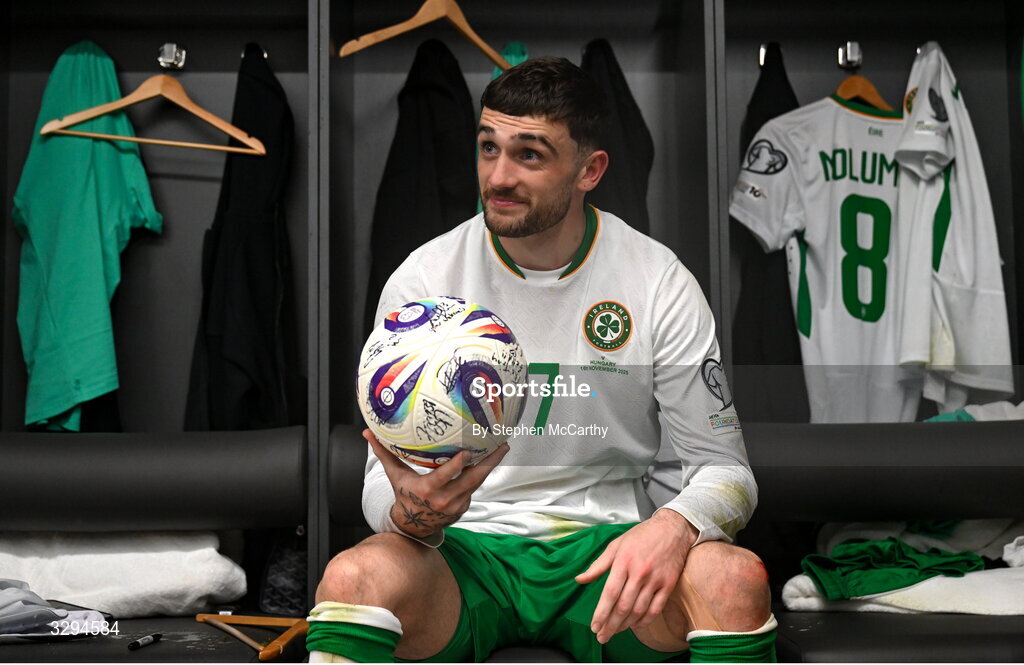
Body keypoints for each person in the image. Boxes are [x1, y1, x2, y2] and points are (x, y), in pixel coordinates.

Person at [308, 57, 776, 663]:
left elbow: (726, 471)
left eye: (529, 154)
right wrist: (410, 514)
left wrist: (674, 526)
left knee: (735, 579)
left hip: (611, 553)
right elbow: (385, 478)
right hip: (463, 553)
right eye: (487, 147)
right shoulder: (425, 279)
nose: (498, 176)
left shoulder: (657, 280)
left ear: (590, 170)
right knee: (350, 580)